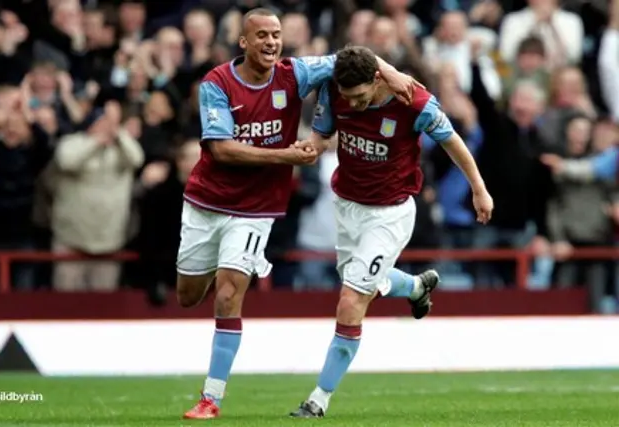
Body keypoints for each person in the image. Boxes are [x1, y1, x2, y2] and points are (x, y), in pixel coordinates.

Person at [178, 8, 420, 420]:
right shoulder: (216, 83)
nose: (272, 42)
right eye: (262, 36)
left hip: (256, 209)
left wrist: (390, 73)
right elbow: (221, 149)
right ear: (244, 42)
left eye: (276, 35)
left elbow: (352, 57)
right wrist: (285, 154)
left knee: (229, 291)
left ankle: (211, 398)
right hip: (207, 202)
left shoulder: (295, 73)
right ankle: (411, 285)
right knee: (189, 296)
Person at [289, 46, 494, 418]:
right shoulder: (335, 90)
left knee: (352, 299)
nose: (353, 102)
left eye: (360, 95)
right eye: (347, 96)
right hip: (347, 205)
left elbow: (453, 143)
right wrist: (307, 149)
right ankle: (415, 287)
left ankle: (318, 400)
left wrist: (479, 189)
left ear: (378, 78)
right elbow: (321, 137)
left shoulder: (414, 102)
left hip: (389, 213)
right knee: (359, 283)